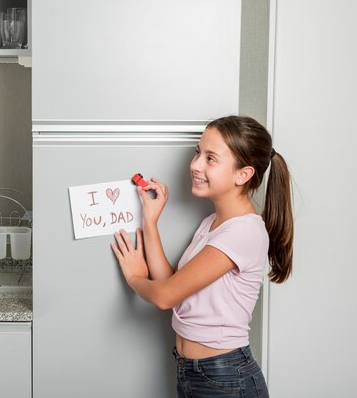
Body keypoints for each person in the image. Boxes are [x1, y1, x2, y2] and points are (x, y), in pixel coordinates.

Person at [111, 115, 293, 398]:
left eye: (210, 158)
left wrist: (135, 277)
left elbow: (164, 296)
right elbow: (174, 285)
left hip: (225, 377)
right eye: (198, 153)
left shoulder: (243, 232)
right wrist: (150, 222)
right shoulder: (212, 223)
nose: (195, 164)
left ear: (242, 174)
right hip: (194, 371)